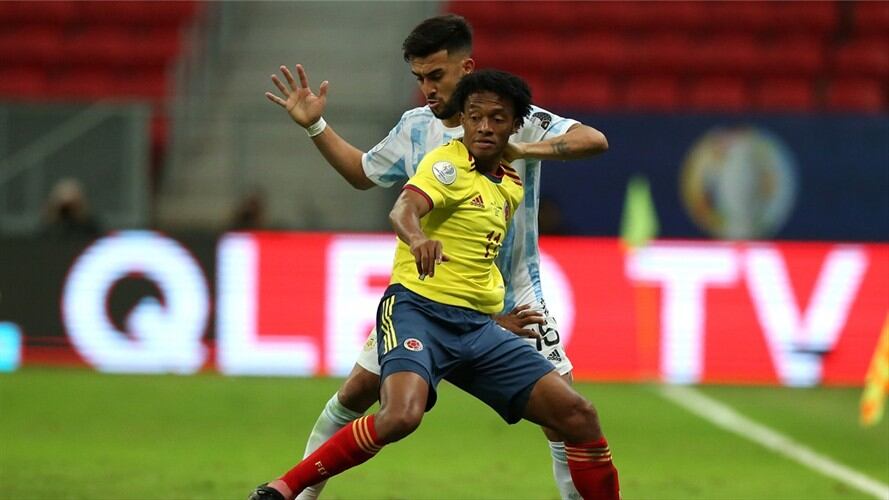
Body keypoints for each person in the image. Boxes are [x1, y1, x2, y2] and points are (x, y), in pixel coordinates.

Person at [263, 14, 609, 500]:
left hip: (515, 291)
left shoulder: (515, 118)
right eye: (419, 78)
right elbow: (364, 174)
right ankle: (299, 494)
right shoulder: (415, 127)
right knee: (358, 394)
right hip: (428, 296)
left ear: (466, 68)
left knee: (565, 416)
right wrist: (316, 125)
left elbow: (593, 140)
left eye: (436, 76)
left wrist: (521, 149)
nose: (426, 88)